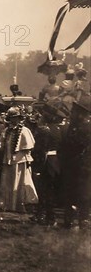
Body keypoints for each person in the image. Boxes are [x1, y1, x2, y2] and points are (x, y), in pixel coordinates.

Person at [0, 107, 38, 213]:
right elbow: (2, 145)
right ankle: (7, 204)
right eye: (12, 118)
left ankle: (20, 204)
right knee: (8, 182)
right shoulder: (6, 131)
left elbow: (28, 146)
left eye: (16, 118)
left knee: (20, 181)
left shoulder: (24, 130)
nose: (14, 120)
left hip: (20, 160)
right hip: (8, 158)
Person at [61, 92, 91, 229]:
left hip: (83, 166)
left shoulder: (85, 127)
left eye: (74, 111)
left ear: (81, 113)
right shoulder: (75, 126)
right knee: (74, 192)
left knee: (83, 192)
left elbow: (75, 144)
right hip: (74, 165)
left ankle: (82, 218)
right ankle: (73, 218)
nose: (71, 113)